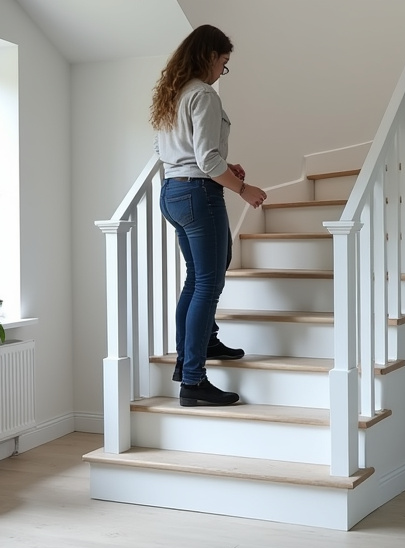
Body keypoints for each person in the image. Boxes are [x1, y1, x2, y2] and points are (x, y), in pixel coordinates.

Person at [151, 24, 268, 407]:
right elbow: (205, 159)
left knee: (199, 279)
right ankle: (193, 380)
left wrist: (223, 164)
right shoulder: (203, 95)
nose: (223, 70)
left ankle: (201, 346)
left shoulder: (174, 94)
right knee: (207, 282)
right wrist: (243, 189)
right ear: (209, 56)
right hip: (200, 194)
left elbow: (186, 153)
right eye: (223, 61)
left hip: (173, 191)